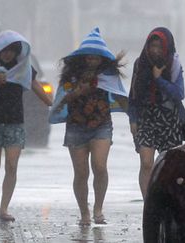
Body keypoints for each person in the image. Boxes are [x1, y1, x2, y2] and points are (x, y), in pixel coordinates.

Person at [0, 30, 52, 222]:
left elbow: (36, 86)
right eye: (4, 50)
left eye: (12, 51)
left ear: (17, 52)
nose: (8, 55)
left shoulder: (24, 68)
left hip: (15, 122)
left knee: (12, 165)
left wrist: (53, 103)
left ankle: (4, 208)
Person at [57, 27, 128, 226]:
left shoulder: (109, 75)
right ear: (83, 57)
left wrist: (134, 119)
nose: (92, 61)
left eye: (96, 58)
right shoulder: (71, 75)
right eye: (89, 57)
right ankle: (84, 213)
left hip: (101, 125)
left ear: (102, 58)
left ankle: (98, 208)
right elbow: (62, 100)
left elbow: (121, 97)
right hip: (76, 127)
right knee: (81, 173)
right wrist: (79, 92)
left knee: (100, 166)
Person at [128, 27, 185, 199]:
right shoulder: (140, 64)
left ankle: (165, 201)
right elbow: (133, 95)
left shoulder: (174, 64)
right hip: (146, 118)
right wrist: (133, 119)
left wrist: (159, 79)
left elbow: (179, 94)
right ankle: (148, 205)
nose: (156, 50)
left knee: (169, 166)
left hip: (170, 120)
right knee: (146, 163)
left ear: (166, 47)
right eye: (152, 46)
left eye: (160, 47)